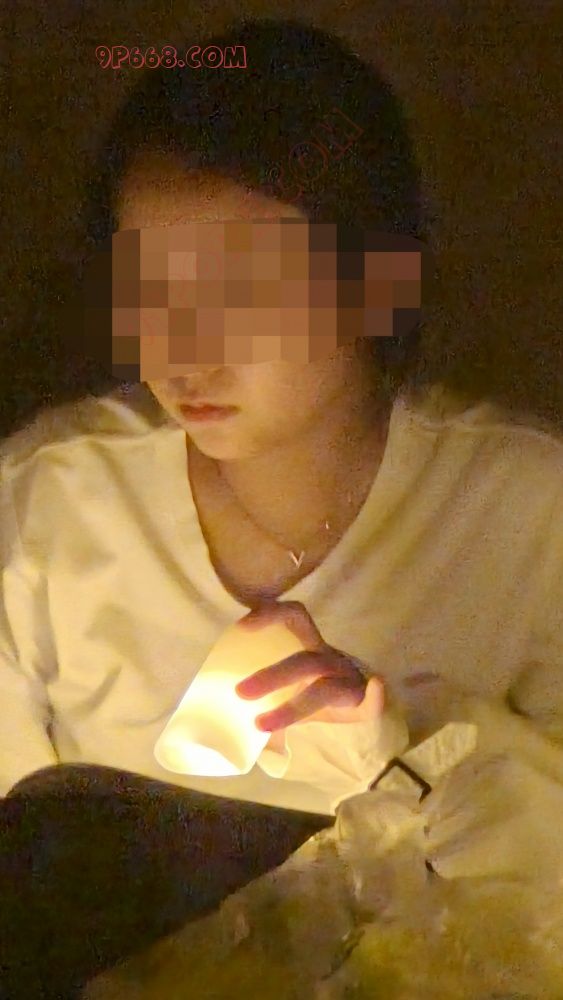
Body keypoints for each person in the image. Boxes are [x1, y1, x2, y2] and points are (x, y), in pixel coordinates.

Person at [1, 14, 563, 1000]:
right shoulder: (50, 507)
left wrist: (397, 752)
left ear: (374, 285)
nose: (184, 347)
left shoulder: (526, 519)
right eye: (148, 286)